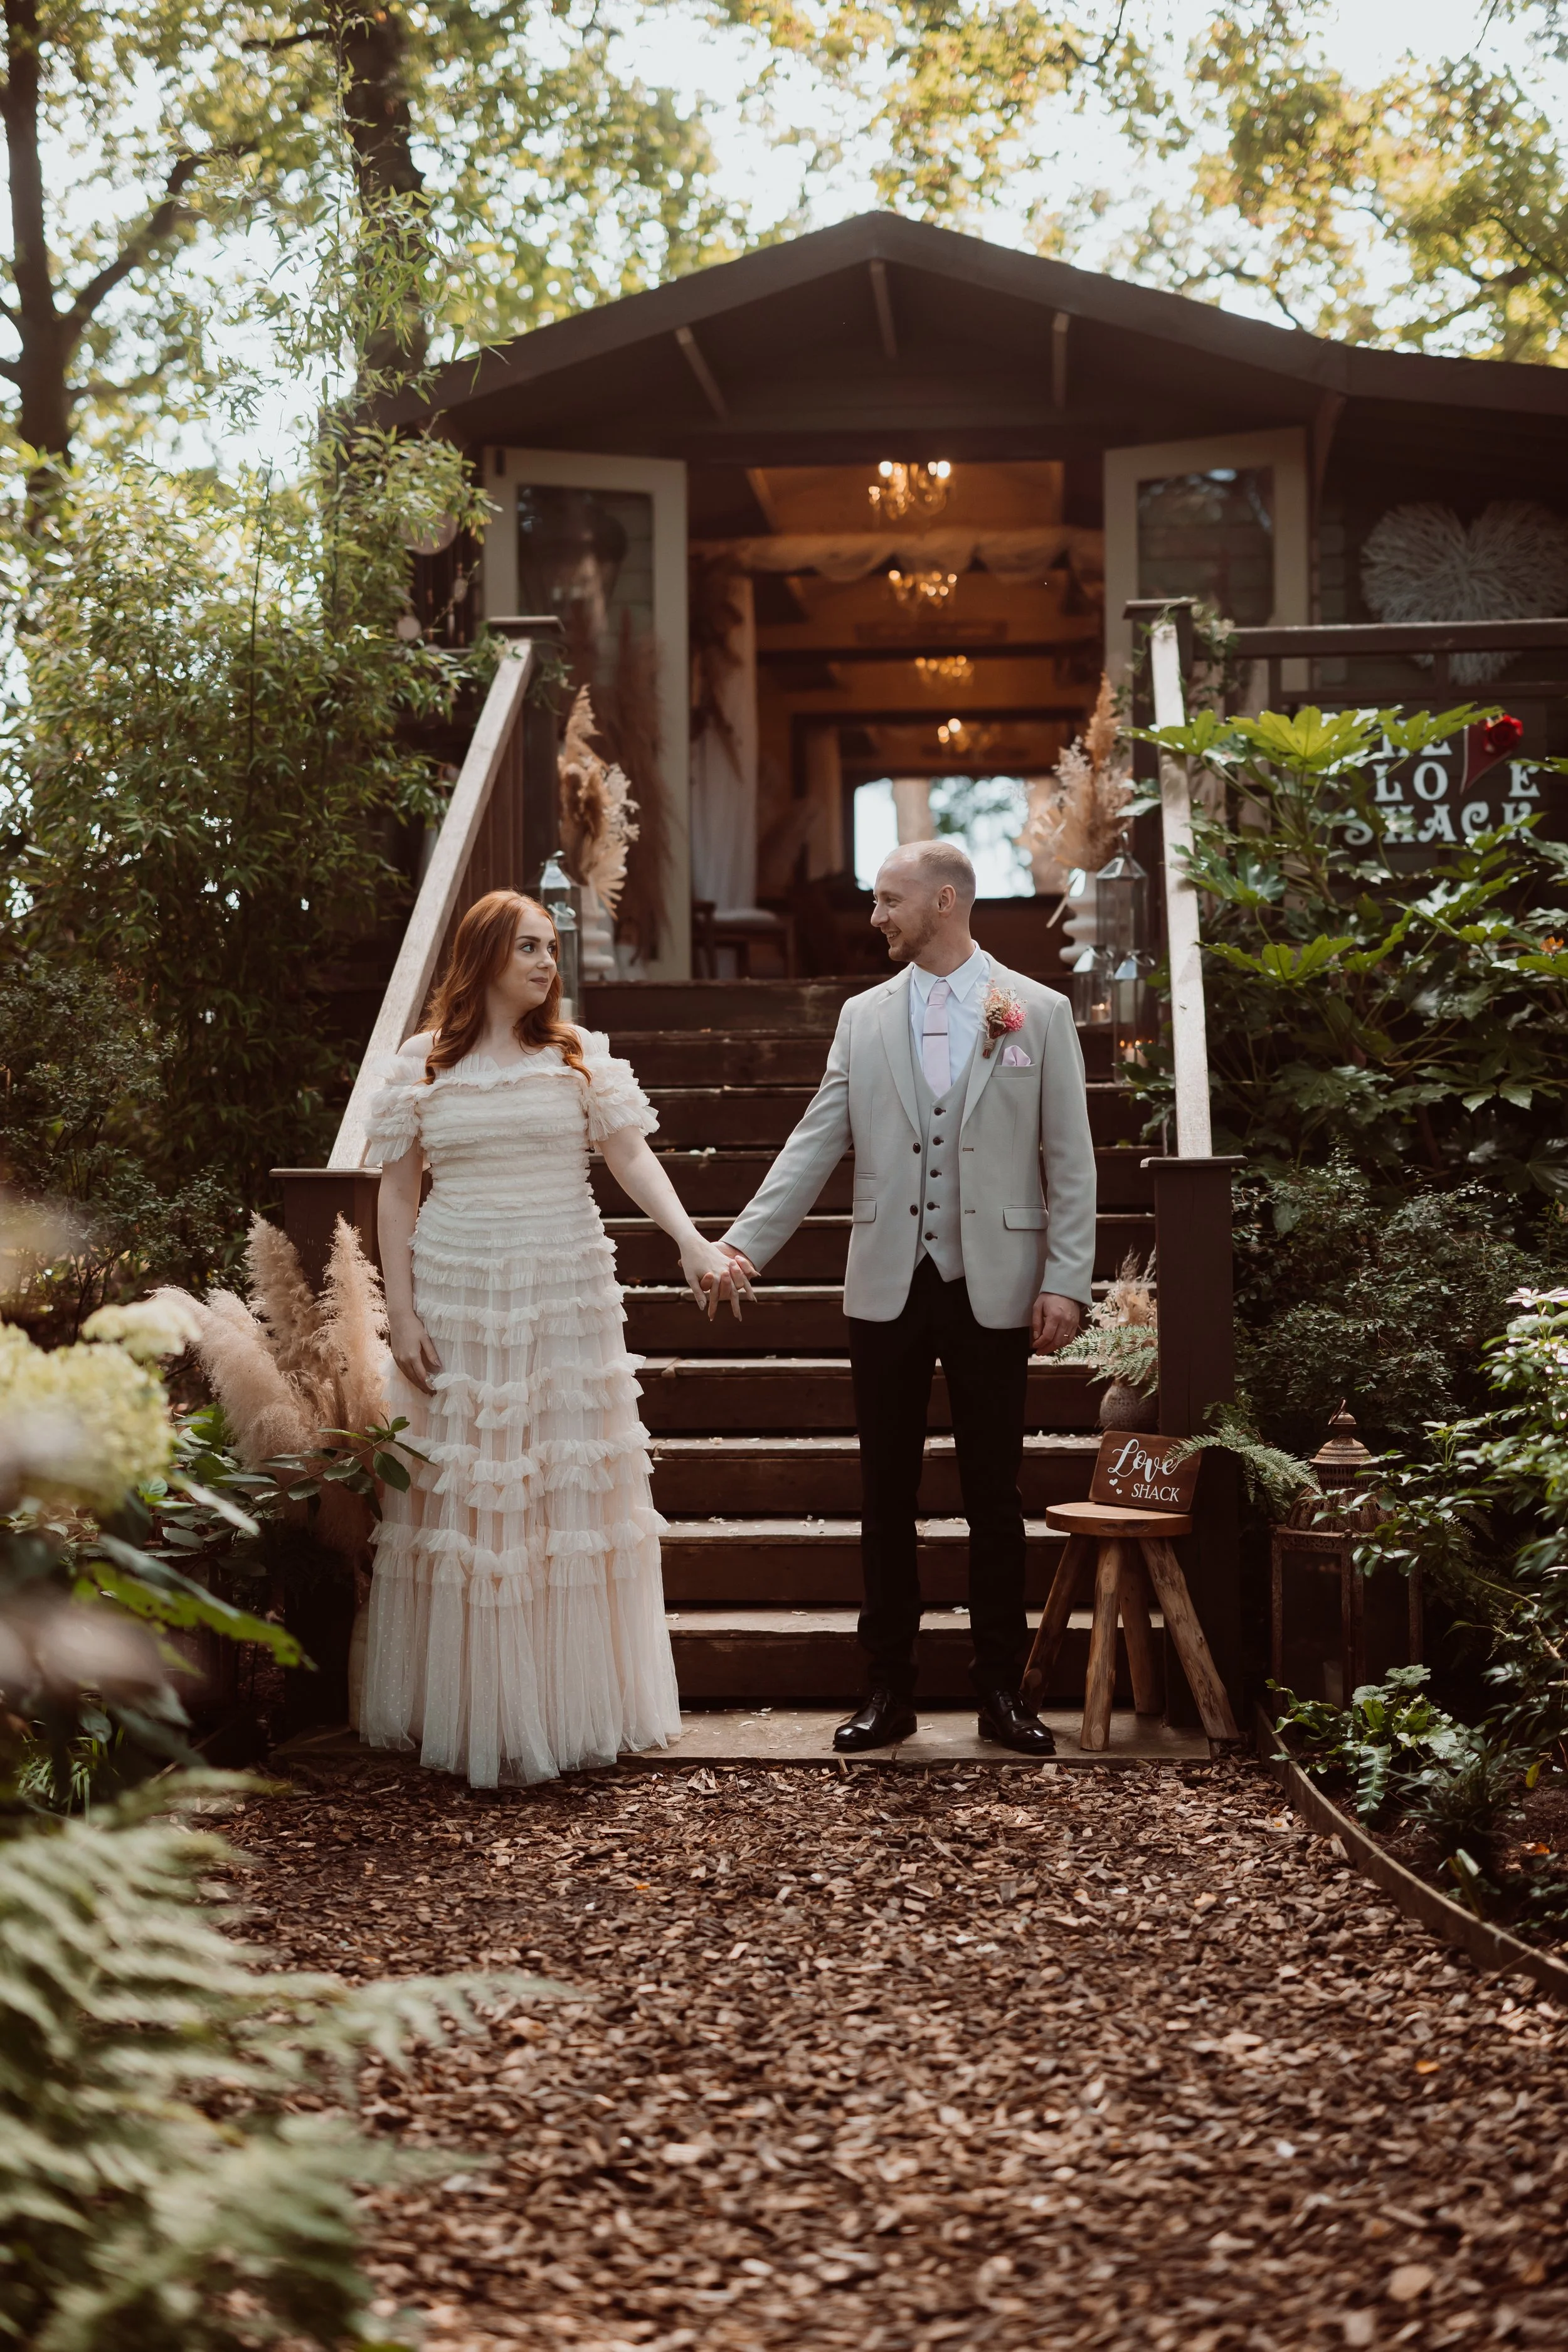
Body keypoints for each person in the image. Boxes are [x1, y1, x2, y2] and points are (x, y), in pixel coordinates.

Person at [360, 887, 748, 1787]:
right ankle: (477, 1709)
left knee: (563, 1497)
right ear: (485, 954)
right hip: (458, 1295)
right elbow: (395, 1192)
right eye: (528, 946)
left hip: (564, 1288)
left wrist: (691, 1241)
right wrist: (404, 1312)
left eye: (552, 948)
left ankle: (574, 1706)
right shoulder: (421, 1065)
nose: (545, 962)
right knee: (472, 1505)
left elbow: (630, 1156)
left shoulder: (579, 1057)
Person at [719, 840, 1096, 1755]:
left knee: (992, 1497)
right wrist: (742, 1244)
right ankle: (887, 1690)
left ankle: (1001, 1691)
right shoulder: (862, 1017)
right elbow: (817, 1138)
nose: (876, 915)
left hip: (996, 1284)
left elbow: (1070, 1158)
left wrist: (1066, 1280)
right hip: (886, 1282)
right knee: (885, 1494)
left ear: (946, 899)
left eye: (891, 901)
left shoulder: (1036, 1012)